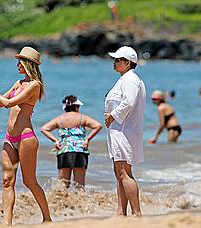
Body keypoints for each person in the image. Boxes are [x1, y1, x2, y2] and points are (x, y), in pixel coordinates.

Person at [0, 46, 51, 225]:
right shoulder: (18, 83)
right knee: (6, 181)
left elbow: (7, 103)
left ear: (29, 64)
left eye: (20, 61)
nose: (18, 64)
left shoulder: (35, 85)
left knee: (29, 181)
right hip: (9, 138)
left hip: (26, 138)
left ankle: (47, 219)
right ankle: (7, 224)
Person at [104, 46, 145, 217]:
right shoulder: (126, 78)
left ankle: (136, 213)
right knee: (119, 173)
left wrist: (112, 116)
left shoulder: (130, 79)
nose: (114, 62)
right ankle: (121, 212)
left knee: (124, 173)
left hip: (124, 131)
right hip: (121, 131)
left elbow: (128, 102)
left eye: (118, 60)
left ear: (127, 63)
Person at [40, 95, 102, 189]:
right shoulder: (82, 117)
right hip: (80, 150)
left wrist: (55, 141)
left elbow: (44, 129)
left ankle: (63, 202)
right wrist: (87, 139)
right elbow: (98, 126)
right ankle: (78, 202)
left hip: (64, 149)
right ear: (76, 106)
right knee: (79, 185)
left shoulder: (59, 119)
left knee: (63, 184)